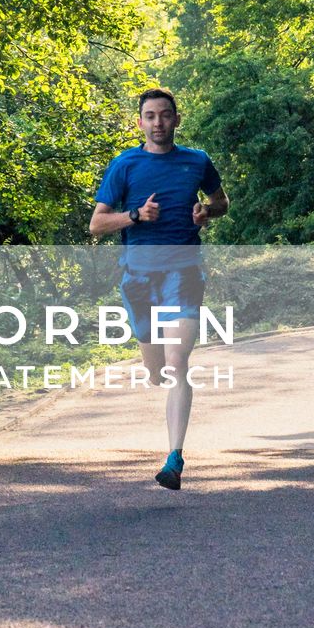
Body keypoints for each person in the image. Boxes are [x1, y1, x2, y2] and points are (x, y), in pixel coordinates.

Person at [88, 88, 229, 490]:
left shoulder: (197, 161)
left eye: (165, 115)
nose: (158, 123)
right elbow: (96, 224)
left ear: (176, 119)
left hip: (183, 273)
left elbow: (222, 201)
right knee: (157, 371)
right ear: (140, 122)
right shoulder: (125, 165)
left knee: (178, 362)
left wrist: (207, 211)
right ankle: (155, 373)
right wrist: (135, 215)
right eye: (150, 116)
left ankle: (175, 458)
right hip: (138, 279)